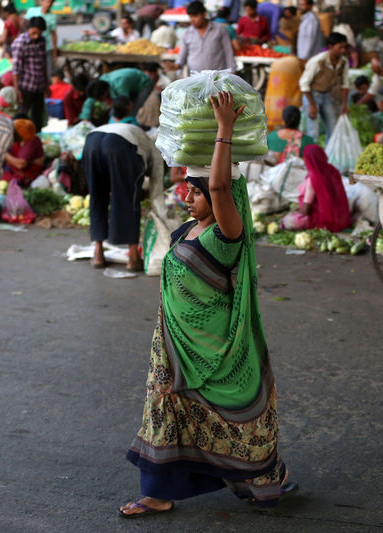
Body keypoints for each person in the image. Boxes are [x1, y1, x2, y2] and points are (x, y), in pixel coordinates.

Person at [120, 91, 293, 517]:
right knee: (166, 408)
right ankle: (158, 492)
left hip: (212, 348)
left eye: (194, 194)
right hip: (176, 346)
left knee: (227, 416)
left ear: (218, 200)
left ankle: (265, 475)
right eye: (186, 192)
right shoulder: (189, 231)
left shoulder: (225, 234)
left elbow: (219, 184)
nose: (187, 198)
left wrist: (224, 129)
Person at [82, 122, 163, 271]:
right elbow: (156, 189)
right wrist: (160, 214)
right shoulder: (157, 152)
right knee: (129, 200)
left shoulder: (140, 136)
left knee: (97, 197)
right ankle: (133, 258)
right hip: (120, 144)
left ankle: (98, 254)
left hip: (91, 142)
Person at [280, 144, 350, 231]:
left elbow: (306, 210)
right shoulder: (333, 170)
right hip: (342, 219)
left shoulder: (313, 178)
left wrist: (295, 213)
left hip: (324, 221)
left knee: (288, 221)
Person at [299, 32, 351, 143]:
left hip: (326, 95)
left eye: (345, 47)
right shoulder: (317, 61)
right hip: (312, 96)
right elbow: (304, 84)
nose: (343, 50)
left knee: (332, 128)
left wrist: (344, 104)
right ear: (330, 47)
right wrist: (312, 105)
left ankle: (327, 157)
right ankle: (311, 157)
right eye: (340, 47)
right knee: (313, 132)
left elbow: (345, 84)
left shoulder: (344, 62)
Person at [11, 16, 49, 132]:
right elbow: (16, 68)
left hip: (39, 85)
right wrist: (17, 90)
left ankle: (36, 138)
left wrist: (46, 85)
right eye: (34, 33)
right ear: (29, 28)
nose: (36, 36)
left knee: (38, 116)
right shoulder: (20, 43)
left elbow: (43, 63)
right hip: (26, 85)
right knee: (22, 116)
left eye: (39, 33)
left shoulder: (41, 40)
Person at [177, 1, 235, 73]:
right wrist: (177, 65)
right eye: (190, 17)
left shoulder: (220, 29)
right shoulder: (187, 33)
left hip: (216, 77)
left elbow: (228, 51)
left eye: (195, 16)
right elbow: (182, 56)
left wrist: (232, 70)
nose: (192, 20)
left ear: (204, 14)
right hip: (195, 78)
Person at [1, 116, 44, 188]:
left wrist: (1, 152)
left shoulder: (31, 139)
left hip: (28, 175)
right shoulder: (17, 138)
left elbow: (21, 165)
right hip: (13, 170)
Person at [264, 55, 303, 130]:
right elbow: (301, 84)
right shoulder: (297, 64)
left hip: (273, 99)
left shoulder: (279, 62)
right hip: (285, 99)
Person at [25, 0, 57, 73]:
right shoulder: (32, 11)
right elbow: (24, 24)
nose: (48, 4)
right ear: (42, 2)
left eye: (50, 2)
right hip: (32, 47)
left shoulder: (52, 17)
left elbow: (53, 34)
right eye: (47, 2)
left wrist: (54, 51)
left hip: (46, 47)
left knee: (48, 70)